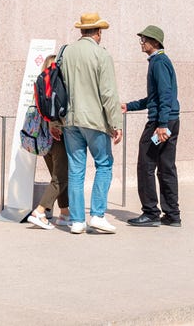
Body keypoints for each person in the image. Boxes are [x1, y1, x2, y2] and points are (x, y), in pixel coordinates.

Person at [60, 12, 123, 235]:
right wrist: (116, 123)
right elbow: (108, 93)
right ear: (98, 32)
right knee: (104, 165)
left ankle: (77, 221)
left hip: (69, 120)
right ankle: (97, 215)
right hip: (94, 120)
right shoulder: (100, 55)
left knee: (76, 169)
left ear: (81, 31)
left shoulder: (66, 52)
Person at [121, 25, 181, 228]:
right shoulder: (159, 61)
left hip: (160, 123)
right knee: (166, 167)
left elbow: (165, 95)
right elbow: (154, 98)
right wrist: (129, 106)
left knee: (146, 165)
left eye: (144, 40)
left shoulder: (159, 62)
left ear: (155, 42)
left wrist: (162, 124)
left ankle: (150, 212)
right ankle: (172, 215)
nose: (142, 43)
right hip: (169, 120)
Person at [26, 54, 69, 230]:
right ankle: (40, 211)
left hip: (42, 140)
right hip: (57, 137)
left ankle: (65, 213)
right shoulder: (55, 87)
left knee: (57, 177)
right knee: (61, 177)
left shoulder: (39, 86)